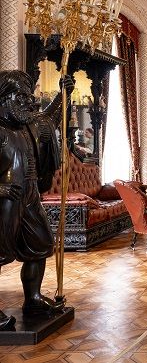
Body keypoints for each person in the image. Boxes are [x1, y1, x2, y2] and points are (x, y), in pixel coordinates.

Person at [0, 70, 72, 331]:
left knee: (40, 245)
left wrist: (63, 93)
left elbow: (50, 118)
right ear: (4, 98)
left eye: (28, 96)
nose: (28, 102)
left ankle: (33, 299)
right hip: (6, 199)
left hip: (29, 194)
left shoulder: (29, 125)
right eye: (20, 96)